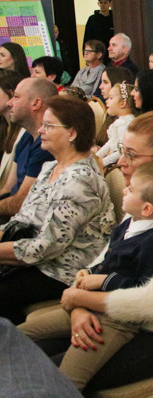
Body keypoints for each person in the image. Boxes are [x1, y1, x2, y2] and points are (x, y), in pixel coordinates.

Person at [47, 111, 153, 390]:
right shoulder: (142, 198)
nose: (122, 163)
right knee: (30, 345)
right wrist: (79, 305)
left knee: (48, 377)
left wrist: (82, 299)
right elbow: (102, 262)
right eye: (121, 152)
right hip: (121, 315)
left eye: (131, 155)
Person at [18, 163, 153, 390]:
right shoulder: (128, 224)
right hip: (89, 305)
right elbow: (109, 262)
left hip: (114, 322)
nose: (125, 189)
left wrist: (101, 280)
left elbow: (142, 289)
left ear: (147, 209)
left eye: (131, 190)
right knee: (21, 333)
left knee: (66, 381)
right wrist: (90, 273)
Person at [0, 97, 115, 324]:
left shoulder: (81, 182)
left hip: (61, 271)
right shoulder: (51, 166)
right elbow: (23, 219)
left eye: (49, 125)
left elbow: (45, 248)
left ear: (72, 133)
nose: (41, 130)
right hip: (38, 258)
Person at [0, 318, 100, 398]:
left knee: (63, 380)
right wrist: (77, 305)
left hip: (118, 317)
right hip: (91, 307)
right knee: (29, 338)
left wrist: (79, 299)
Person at [0, 78, 58, 218]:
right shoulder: (27, 136)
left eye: (16, 97)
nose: (10, 103)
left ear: (36, 103)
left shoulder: (46, 145)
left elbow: (22, 202)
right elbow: (8, 188)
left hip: (25, 220)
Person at [95, 81, 136, 167]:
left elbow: (122, 152)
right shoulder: (120, 121)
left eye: (111, 98)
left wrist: (103, 162)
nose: (106, 101)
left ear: (122, 103)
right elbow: (111, 143)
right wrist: (96, 157)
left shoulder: (126, 124)